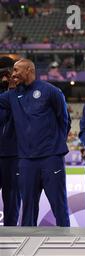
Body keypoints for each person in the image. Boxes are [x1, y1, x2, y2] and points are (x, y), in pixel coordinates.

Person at [0, 59, 70, 226]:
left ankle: (67, 245)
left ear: (29, 70)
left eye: (17, 70)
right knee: (28, 209)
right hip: (25, 161)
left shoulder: (51, 91)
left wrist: (54, 146)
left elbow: (64, 121)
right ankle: (26, 248)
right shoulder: (11, 96)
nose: (13, 74)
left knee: (59, 206)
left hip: (51, 158)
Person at [0, 56, 20, 226]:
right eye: (2, 74)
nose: (5, 78)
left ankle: (12, 235)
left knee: (12, 200)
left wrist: (12, 91)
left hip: (14, 155)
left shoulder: (22, 94)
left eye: (9, 73)